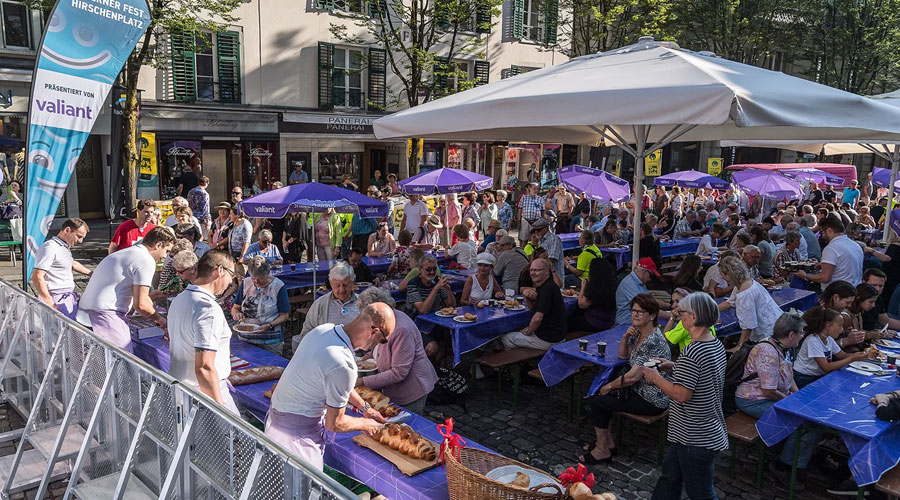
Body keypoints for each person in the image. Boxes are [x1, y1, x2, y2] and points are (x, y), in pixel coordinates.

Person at [266, 304, 395, 470]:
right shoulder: (344, 364)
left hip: (276, 423)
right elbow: (335, 424)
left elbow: (334, 381)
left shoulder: (324, 330)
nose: (380, 345)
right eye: (383, 340)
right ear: (374, 332)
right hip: (296, 440)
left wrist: (365, 408)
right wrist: (366, 424)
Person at [643, 292, 727, 500]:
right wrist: (673, 366)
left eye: (683, 312)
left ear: (694, 317)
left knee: (701, 494)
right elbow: (702, 378)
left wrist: (655, 377)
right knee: (669, 480)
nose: (680, 316)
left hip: (695, 435)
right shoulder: (715, 344)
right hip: (693, 432)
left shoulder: (693, 352)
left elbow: (681, 394)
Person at [579, 293, 670, 465]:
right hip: (638, 389)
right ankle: (608, 443)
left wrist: (610, 387)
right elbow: (623, 355)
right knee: (599, 394)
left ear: (652, 316)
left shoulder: (653, 340)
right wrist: (625, 337)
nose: (635, 315)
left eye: (640, 312)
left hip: (651, 398)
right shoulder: (639, 333)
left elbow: (634, 376)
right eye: (633, 311)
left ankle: (602, 450)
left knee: (599, 400)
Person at [733, 311, 810, 487]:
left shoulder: (783, 348)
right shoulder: (767, 351)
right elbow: (768, 391)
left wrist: (797, 397)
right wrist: (790, 403)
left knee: (805, 415)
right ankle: (784, 466)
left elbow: (789, 379)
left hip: (773, 397)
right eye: (801, 333)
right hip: (752, 400)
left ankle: (793, 460)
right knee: (800, 422)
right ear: (791, 335)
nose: (802, 336)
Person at [79, 227, 175, 352]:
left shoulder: (126, 252)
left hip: (86, 314)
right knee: (123, 363)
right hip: (105, 316)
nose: (164, 257)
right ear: (158, 245)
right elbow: (141, 304)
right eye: (166, 251)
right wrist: (162, 321)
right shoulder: (145, 259)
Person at [167, 250, 240, 414]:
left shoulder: (180, 299)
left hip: (182, 389)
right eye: (231, 275)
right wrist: (221, 409)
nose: (230, 282)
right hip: (203, 393)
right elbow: (204, 366)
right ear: (219, 271)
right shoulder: (207, 308)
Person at [354, 287, 437, 414]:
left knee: (407, 427)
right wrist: (369, 356)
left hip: (412, 389)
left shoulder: (401, 329)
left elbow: (399, 372)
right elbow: (382, 346)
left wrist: (361, 382)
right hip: (394, 389)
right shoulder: (387, 318)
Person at [794, 307, 872, 388]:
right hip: (804, 377)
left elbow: (842, 355)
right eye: (840, 326)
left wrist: (863, 355)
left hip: (817, 375)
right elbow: (826, 367)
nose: (842, 330)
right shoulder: (813, 340)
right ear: (828, 326)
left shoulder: (829, 339)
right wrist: (852, 358)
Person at [717, 255, 784, 350]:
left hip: (768, 333)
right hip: (776, 324)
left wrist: (739, 347)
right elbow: (730, 302)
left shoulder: (745, 295)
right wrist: (711, 309)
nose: (722, 277)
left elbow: (748, 326)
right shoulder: (744, 283)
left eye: (722, 274)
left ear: (729, 274)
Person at [500, 258, 567, 351]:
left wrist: (528, 332)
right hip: (557, 335)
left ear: (547, 271)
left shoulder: (547, 289)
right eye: (531, 270)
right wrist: (526, 296)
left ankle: (515, 364)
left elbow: (537, 318)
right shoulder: (546, 285)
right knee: (519, 331)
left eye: (537, 270)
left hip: (549, 339)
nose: (532, 273)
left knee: (507, 338)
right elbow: (533, 308)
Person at [31, 218, 92, 319]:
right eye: (79, 236)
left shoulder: (63, 246)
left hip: (66, 297)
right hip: (56, 297)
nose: (80, 241)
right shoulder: (50, 247)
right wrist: (49, 302)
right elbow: (37, 276)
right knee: (62, 332)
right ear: (67, 230)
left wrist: (92, 274)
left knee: (70, 332)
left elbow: (72, 264)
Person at [231, 256, 290, 356]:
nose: (256, 282)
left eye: (260, 279)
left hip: (270, 339)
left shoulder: (278, 286)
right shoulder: (246, 282)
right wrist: (236, 314)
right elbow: (235, 307)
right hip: (247, 338)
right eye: (253, 278)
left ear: (268, 273)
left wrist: (269, 325)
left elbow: (284, 315)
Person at [296, 262, 360, 350]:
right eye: (337, 285)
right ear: (330, 283)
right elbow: (306, 333)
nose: (341, 290)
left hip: (357, 355)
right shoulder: (320, 304)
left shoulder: (363, 303)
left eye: (345, 285)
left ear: (353, 282)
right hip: (326, 355)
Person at [795, 216, 863, 286]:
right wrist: (823, 265)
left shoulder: (831, 248)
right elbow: (845, 265)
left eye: (822, 232)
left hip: (837, 292)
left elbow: (824, 278)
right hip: (854, 288)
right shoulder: (855, 245)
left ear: (829, 231)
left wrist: (805, 275)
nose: (822, 236)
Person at [569, 258, 617, 332]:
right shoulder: (613, 284)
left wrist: (583, 287)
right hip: (609, 321)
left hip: (594, 322)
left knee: (568, 320)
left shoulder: (595, 286)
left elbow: (582, 304)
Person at [615, 258, 666, 326]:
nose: (650, 279)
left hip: (636, 321)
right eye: (650, 275)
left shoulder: (639, 281)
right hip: (626, 324)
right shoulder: (630, 283)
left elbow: (650, 300)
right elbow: (647, 307)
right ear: (644, 271)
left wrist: (669, 306)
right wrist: (672, 316)